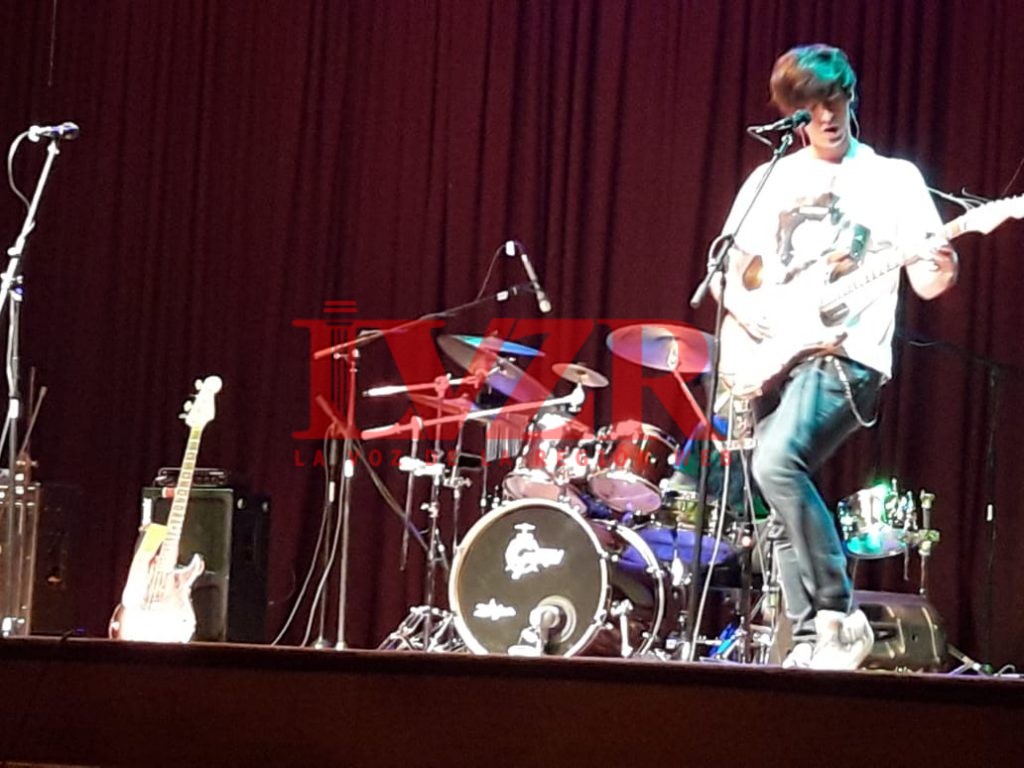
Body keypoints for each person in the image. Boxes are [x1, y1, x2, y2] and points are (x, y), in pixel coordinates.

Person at [711, 44, 958, 670]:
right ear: (793, 115)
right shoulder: (770, 180)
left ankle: (838, 613)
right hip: (774, 355)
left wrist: (942, 261)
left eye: (835, 99)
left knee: (775, 461)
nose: (826, 115)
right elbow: (727, 274)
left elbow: (928, 280)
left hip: (848, 356)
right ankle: (809, 641)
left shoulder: (892, 179)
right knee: (774, 492)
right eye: (812, 106)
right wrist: (750, 315)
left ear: (851, 97)